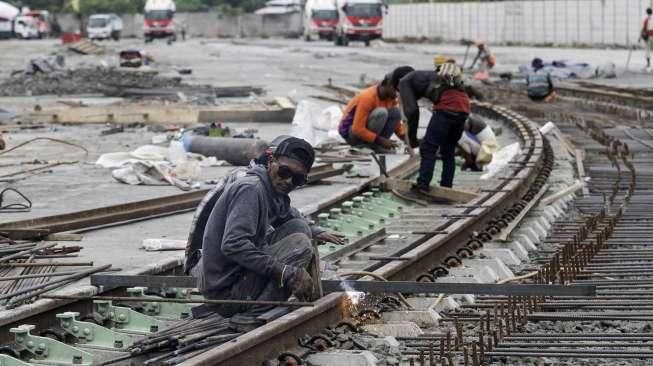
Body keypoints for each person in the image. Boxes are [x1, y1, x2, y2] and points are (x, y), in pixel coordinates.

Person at [189, 136, 343, 317]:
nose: (288, 181)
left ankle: (264, 303)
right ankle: (252, 315)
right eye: (284, 172)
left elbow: (288, 214)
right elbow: (234, 245)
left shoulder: (271, 188)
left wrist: (315, 231)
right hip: (225, 291)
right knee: (299, 244)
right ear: (271, 161)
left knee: (299, 227)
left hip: (235, 276)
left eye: (298, 179)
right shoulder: (250, 189)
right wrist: (286, 272)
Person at [412, 61, 470, 190]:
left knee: (428, 147)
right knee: (448, 151)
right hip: (462, 113)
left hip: (445, 113)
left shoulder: (439, 82)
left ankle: (423, 184)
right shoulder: (460, 86)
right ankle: (446, 185)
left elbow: (432, 95)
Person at [339, 66, 414, 152]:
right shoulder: (367, 97)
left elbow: (396, 125)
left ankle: (374, 145)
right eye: (397, 90)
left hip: (369, 135)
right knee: (382, 113)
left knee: (396, 112)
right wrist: (381, 140)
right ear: (388, 84)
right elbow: (357, 129)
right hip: (351, 134)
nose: (398, 93)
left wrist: (407, 138)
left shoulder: (391, 98)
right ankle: (368, 145)